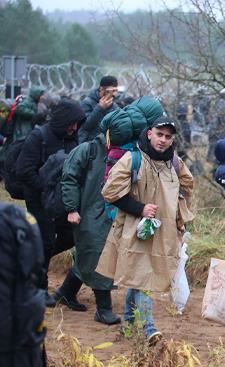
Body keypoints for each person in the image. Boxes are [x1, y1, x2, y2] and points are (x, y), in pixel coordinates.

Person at [60, 98, 162, 326]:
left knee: (91, 254)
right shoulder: (91, 151)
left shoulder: (126, 153)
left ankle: (65, 293)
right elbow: (69, 179)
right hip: (92, 212)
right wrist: (71, 209)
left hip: (109, 211)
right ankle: (103, 309)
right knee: (98, 252)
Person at [96, 117, 194, 345]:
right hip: (135, 230)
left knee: (138, 277)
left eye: (168, 137)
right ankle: (149, 328)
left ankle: (129, 325)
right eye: (160, 134)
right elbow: (109, 192)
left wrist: (180, 219)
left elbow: (188, 189)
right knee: (143, 277)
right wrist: (139, 208)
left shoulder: (176, 164)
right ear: (150, 133)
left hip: (164, 232)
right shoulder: (133, 159)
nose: (163, 140)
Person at [16, 98, 85, 309]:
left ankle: (30, 258)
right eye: (71, 122)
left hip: (62, 200)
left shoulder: (73, 138)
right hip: (38, 199)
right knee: (45, 240)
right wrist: (45, 188)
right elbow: (24, 170)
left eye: (77, 123)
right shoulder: (39, 136)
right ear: (62, 120)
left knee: (70, 237)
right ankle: (39, 289)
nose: (74, 127)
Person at [78, 75, 119, 143]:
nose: (114, 94)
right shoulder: (87, 103)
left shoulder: (114, 106)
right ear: (101, 89)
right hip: (89, 144)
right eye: (110, 91)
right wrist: (100, 108)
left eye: (115, 91)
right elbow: (84, 126)